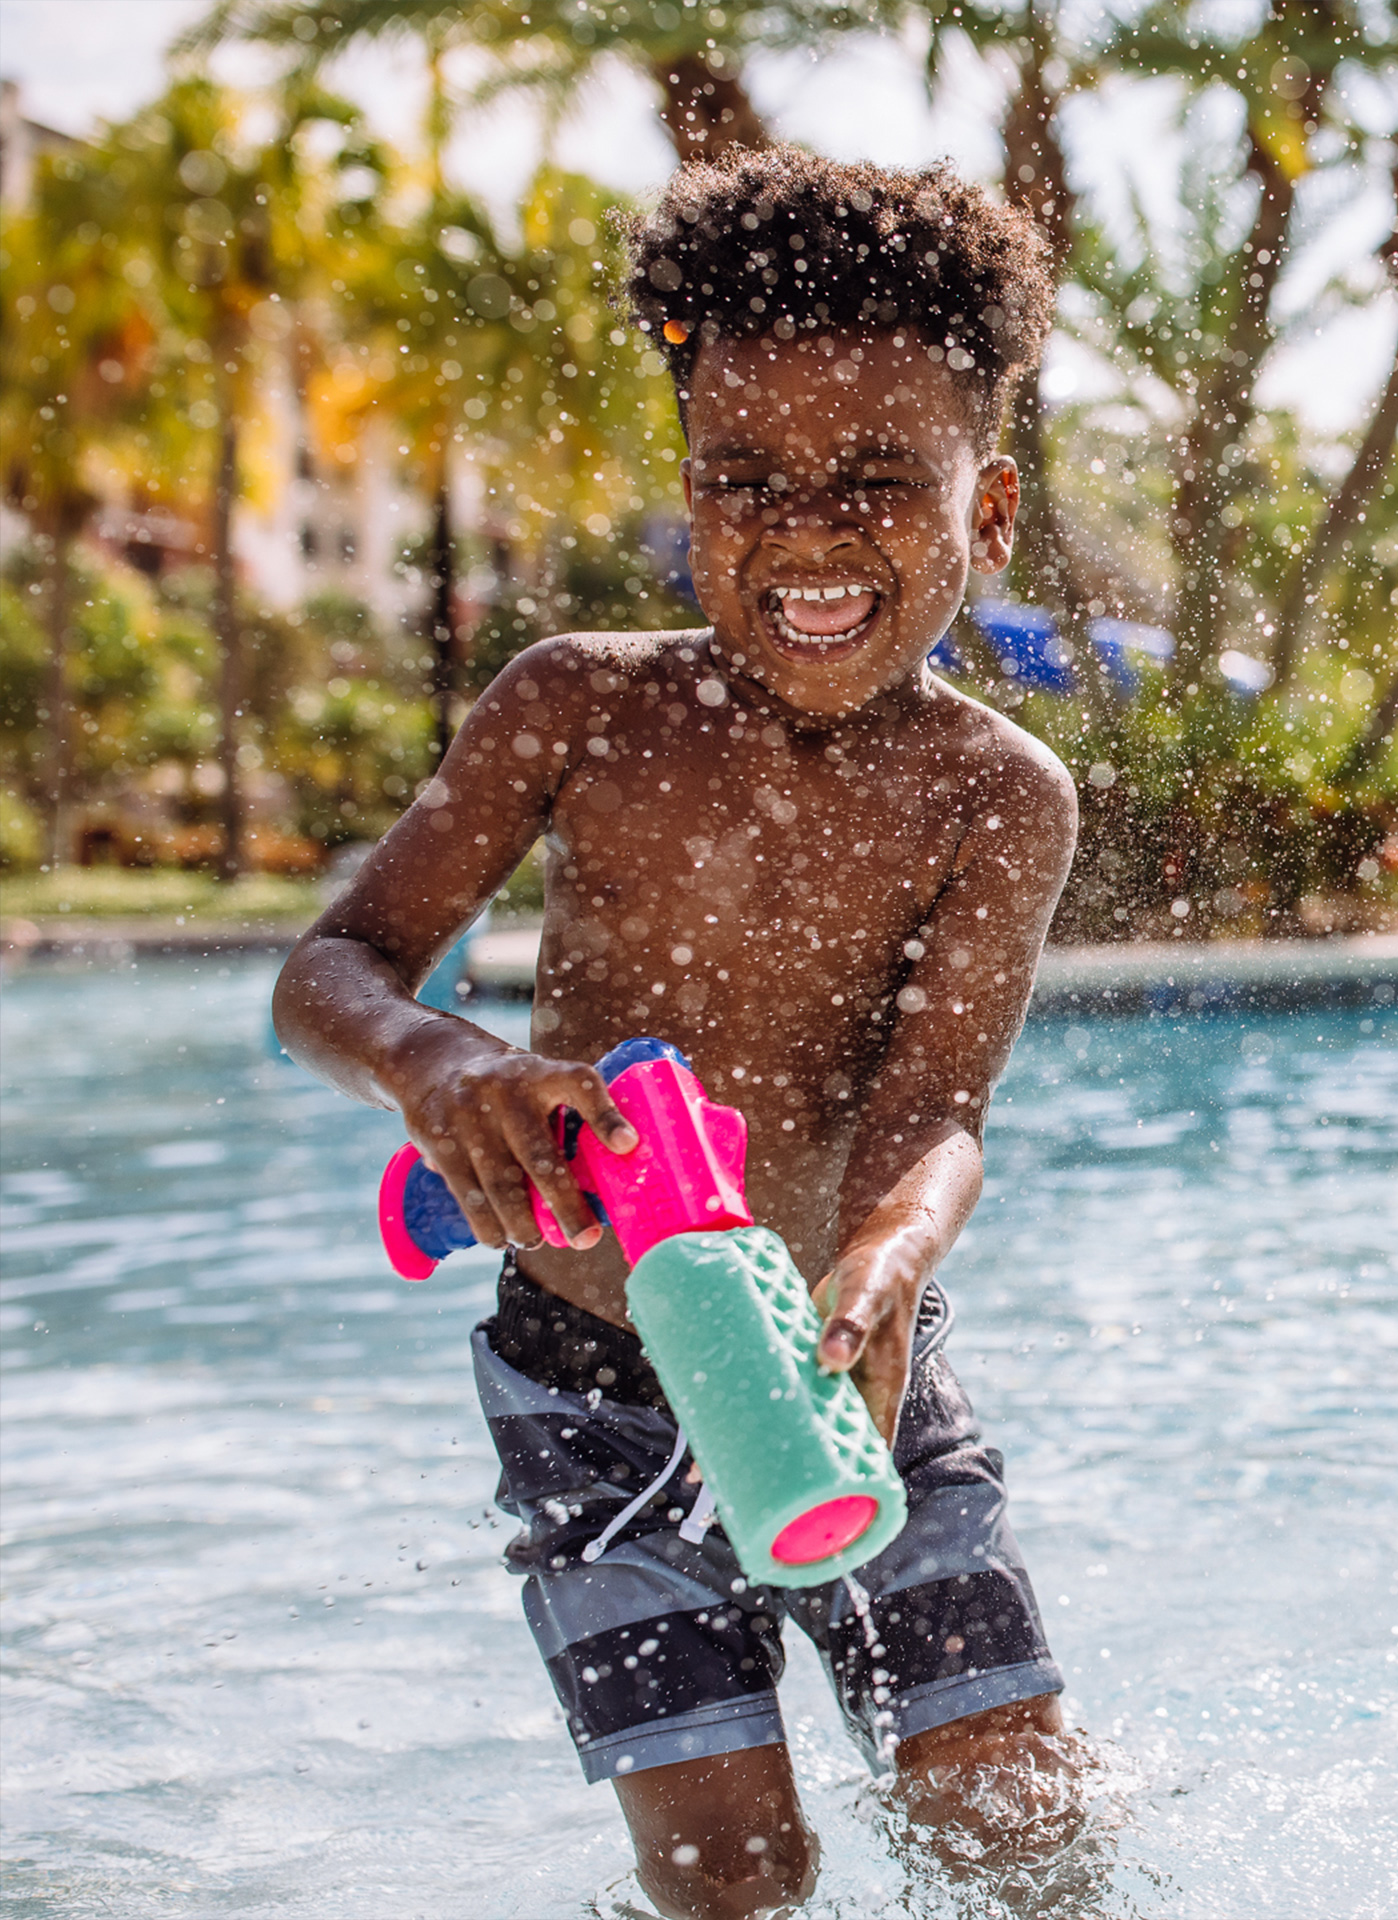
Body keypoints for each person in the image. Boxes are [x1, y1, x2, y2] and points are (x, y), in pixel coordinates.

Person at [272, 150, 1081, 1917]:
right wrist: (446, 1070)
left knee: (1018, 1831)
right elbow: (331, 970)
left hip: (850, 1367)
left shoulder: (993, 795)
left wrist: (877, 1266)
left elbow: (940, 1109)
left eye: (877, 478)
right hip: (588, 1401)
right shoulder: (581, 707)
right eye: (744, 478)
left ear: (992, 508)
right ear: (691, 494)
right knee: (733, 1877)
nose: (803, 529)